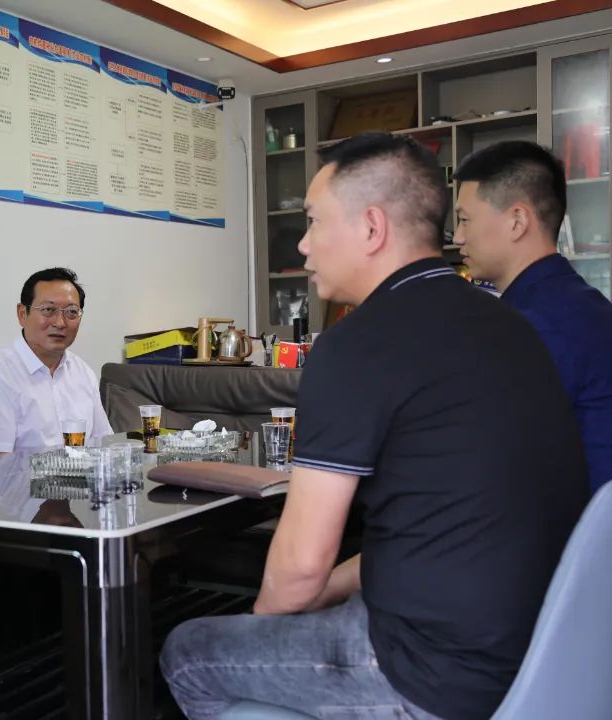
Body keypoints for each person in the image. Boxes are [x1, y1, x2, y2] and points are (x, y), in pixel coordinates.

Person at [161, 134, 589, 720]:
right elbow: (444, 525)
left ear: (370, 228)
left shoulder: (356, 345)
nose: (304, 244)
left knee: (188, 651)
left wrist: (260, 631)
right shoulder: (509, 325)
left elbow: (299, 570)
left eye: (314, 221)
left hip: (428, 672)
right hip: (536, 650)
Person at [454, 140, 612, 493]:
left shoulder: (530, 326)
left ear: (517, 221)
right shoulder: (584, 306)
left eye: (464, 220)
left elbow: (493, 464)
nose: (459, 237)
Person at [0, 267, 111, 453]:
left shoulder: (83, 372)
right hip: (18, 474)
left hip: (83, 472)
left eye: (71, 312)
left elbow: (104, 446)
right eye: (48, 310)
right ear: (22, 314)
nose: (60, 323)